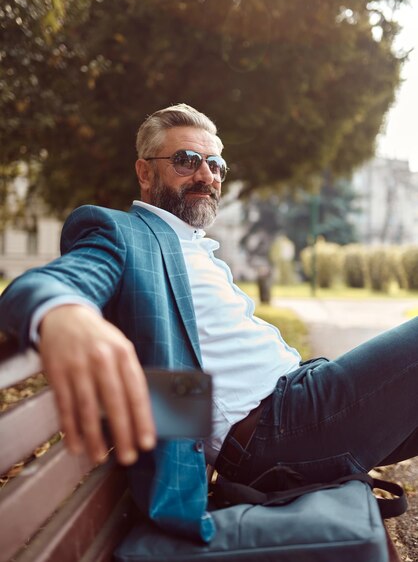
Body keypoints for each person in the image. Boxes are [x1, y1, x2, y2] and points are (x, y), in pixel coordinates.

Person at [0, 104, 417, 544]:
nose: (206, 175)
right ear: (145, 173)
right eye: (186, 160)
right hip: (279, 431)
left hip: (300, 404)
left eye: (215, 164)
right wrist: (64, 316)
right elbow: (41, 285)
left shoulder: (193, 246)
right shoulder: (122, 234)